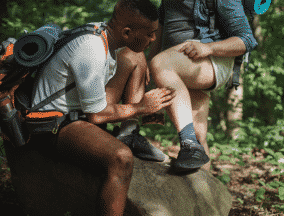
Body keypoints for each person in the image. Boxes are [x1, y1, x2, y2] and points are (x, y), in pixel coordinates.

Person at [30, 0, 176, 215]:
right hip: (52, 124)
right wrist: (141, 107)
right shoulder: (92, 50)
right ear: (126, 32)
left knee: (135, 55)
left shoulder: (104, 34)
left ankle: (128, 132)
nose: (154, 39)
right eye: (150, 34)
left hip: (77, 113)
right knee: (121, 158)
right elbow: (97, 116)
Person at [148, 0, 258, 172]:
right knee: (199, 136)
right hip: (177, 64)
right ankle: (206, 194)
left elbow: (246, 40)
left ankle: (189, 145)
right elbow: (159, 39)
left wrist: (208, 48)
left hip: (210, 60)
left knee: (160, 62)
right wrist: (150, 76)